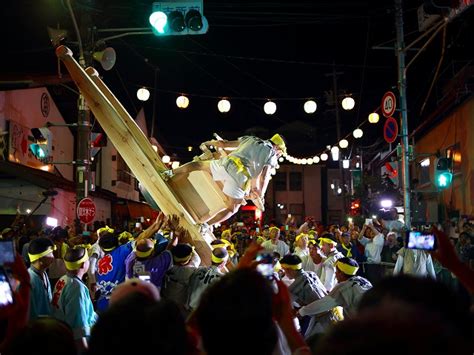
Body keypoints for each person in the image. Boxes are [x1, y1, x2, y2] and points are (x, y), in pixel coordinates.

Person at [172, 134, 286, 225]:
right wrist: (261, 194)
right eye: (280, 153)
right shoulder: (271, 153)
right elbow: (264, 176)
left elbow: (224, 144)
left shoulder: (251, 138)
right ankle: (205, 224)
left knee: (198, 165)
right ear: (277, 147)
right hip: (239, 177)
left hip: (226, 164)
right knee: (232, 209)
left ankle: (170, 172)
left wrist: (209, 143)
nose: (278, 155)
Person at [51, 246, 97, 352]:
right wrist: (84, 349)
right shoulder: (76, 288)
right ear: (83, 264)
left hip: (61, 334)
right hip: (74, 342)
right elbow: (78, 326)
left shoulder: (63, 279)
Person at [279, 254, 337, 338]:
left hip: (321, 321)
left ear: (290, 270)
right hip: (331, 313)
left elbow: (284, 308)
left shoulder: (294, 288)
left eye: (284, 270)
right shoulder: (311, 274)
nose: (284, 273)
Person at [297, 257, 372, 320]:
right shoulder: (364, 281)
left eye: (336, 271)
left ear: (341, 273)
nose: (335, 274)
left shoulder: (344, 287)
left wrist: (302, 311)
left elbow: (323, 304)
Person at [162, 243, 201, 317]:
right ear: (189, 258)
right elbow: (197, 258)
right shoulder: (190, 269)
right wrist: (191, 248)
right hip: (178, 305)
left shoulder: (168, 266)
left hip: (165, 298)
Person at [186, 247, 228, 312]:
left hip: (185, 307)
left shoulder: (199, 269)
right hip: (199, 315)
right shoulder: (223, 280)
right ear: (223, 263)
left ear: (211, 258)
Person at [27, 237, 56, 320]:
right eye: (50, 254)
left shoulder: (43, 273)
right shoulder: (30, 280)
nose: (53, 257)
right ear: (40, 259)